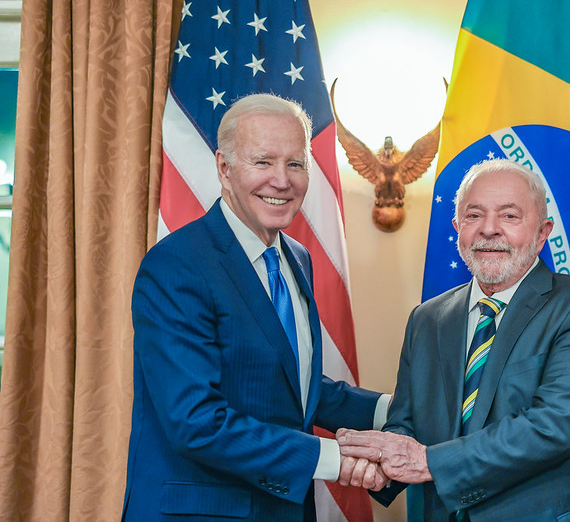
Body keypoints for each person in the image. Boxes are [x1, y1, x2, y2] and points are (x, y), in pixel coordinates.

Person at [122, 93, 389, 521]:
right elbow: (195, 421)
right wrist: (336, 459)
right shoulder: (177, 265)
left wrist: (391, 412)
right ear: (225, 169)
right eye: (263, 162)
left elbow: (287, 385)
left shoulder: (296, 257)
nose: (281, 181)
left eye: (295, 164)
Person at [337, 158, 570, 521]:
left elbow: (555, 426)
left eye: (509, 216)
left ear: (543, 233)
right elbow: (408, 422)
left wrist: (426, 461)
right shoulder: (427, 318)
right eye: (474, 215)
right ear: (457, 228)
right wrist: (380, 465)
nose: (489, 229)